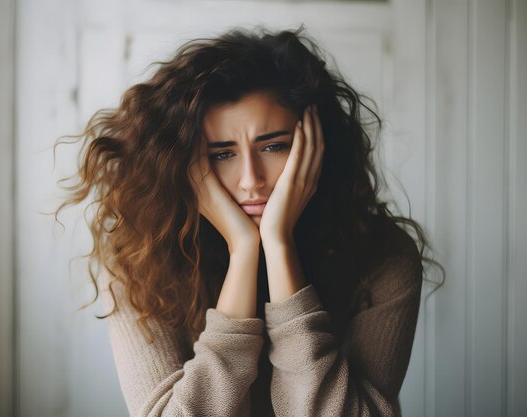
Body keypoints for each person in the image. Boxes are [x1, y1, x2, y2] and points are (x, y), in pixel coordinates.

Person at [57, 26, 439, 417]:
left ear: (318, 146)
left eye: (273, 146)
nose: (250, 179)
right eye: (222, 154)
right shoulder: (139, 257)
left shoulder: (384, 256)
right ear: (185, 162)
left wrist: (278, 245)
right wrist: (244, 252)